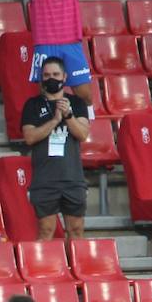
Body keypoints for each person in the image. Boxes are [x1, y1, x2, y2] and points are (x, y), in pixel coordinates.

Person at [22, 56, 90, 239]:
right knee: (46, 230)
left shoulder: (76, 103)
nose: (51, 78)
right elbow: (29, 137)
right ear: (41, 78)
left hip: (72, 178)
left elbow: (83, 134)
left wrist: (68, 116)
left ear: (64, 76)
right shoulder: (32, 105)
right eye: (46, 75)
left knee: (76, 230)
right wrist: (54, 121)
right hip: (45, 179)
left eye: (55, 74)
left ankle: (75, 267)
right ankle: (43, 268)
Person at [17, 0, 94, 103]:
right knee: (47, 94)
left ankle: (86, 127)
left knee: (85, 95)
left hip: (70, 41)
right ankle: (52, 127)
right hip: (45, 43)